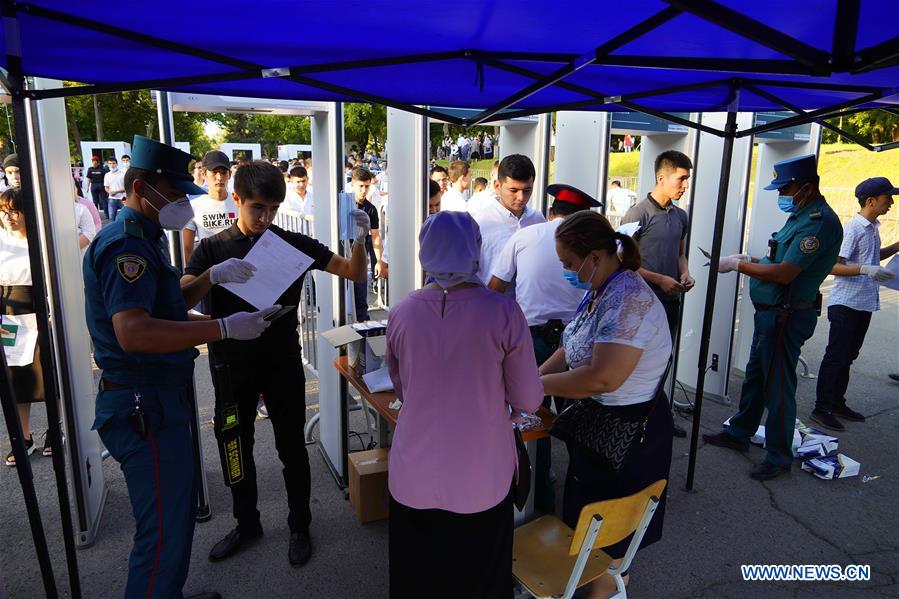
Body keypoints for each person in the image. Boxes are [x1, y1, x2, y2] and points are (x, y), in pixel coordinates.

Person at [84, 135, 275, 599]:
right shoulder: (125, 246)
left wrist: (211, 276)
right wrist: (223, 329)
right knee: (162, 530)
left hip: (159, 397)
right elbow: (135, 331)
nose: (180, 205)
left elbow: (167, 307)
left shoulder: (147, 238)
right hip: (140, 400)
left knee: (176, 510)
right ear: (142, 187)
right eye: (172, 194)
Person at [181, 160, 370, 567]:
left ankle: (300, 523)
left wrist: (359, 237)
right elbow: (181, 298)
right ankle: (245, 521)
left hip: (281, 363)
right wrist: (212, 275)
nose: (265, 218)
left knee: (291, 448)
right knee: (235, 445)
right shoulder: (213, 248)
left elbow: (353, 272)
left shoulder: (292, 244)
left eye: (272, 208)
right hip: (230, 366)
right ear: (237, 200)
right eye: (257, 208)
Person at [386, 211, 543, 598]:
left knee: (417, 576)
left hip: (413, 472)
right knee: (481, 577)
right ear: (475, 250)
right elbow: (528, 398)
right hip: (482, 475)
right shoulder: (502, 311)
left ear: (426, 254)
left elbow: (402, 387)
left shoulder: (402, 312)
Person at [540, 210, 673, 599]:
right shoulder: (602, 287)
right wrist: (533, 377)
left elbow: (602, 377)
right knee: (590, 529)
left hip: (629, 436)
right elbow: (572, 345)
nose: (566, 270)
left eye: (568, 263)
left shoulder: (629, 301)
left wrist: (534, 387)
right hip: (601, 426)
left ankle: (608, 589)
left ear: (594, 257)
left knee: (610, 546)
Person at [704, 154, 842, 481]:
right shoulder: (801, 215)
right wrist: (750, 259)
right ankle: (739, 432)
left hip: (787, 317)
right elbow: (776, 258)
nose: (782, 194)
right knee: (755, 377)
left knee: (778, 386)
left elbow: (784, 273)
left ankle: (779, 456)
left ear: (806, 188)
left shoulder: (819, 222)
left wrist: (738, 265)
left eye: (786, 188)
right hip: (772, 315)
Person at [488, 183, 600, 514]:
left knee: (529, 416)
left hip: (530, 340)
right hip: (578, 342)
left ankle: (539, 491)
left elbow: (494, 290)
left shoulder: (524, 237)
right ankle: (579, 499)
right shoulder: (591, 248)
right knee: (580, 418)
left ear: (551, 212)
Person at [811, 177, 898, 431]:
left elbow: (871, 258)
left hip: (863, 303)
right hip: (845, 304)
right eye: (887, 198)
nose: (891, 202)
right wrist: (865, 270)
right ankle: (821, 408)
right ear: (870, 201)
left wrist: (894, 247)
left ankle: (837, 402)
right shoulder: (854, 229)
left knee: (849, 356)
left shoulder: (872, 228)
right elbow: (832, 265)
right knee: (836, 356)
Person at [623, 151, 695, 437]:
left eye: (687, 179)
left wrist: (685, 273)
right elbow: (622, 263)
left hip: (670, 302)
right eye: (682, 179)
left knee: (663, 361)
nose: (685, 185)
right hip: (640, 304)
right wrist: (659, 279)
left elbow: (680, 254)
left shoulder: (680, 216)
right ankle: (633, 419)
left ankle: (656, 419)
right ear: (661, 177)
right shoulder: (637, 214)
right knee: (636, 362)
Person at [1, 189, 51, 465]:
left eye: (14, 211)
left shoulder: (42, 239)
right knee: (16, 376)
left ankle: (56, 430)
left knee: (47, 372)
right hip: (8, 313)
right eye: (3, 211)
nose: (8, 217)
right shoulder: (0, 239)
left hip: (40, 309)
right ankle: (23, 436)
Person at [470, 154, 546, 287]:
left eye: (527, 190)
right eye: (513, 190)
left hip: (530, 305)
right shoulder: (480, 222)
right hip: (490, 303)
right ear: (497, 185)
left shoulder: (538, 220)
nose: (521, 197)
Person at [182, 151, 238, 264]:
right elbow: (187, 249)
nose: (219, 177)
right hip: (208, 274)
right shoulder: (193, 206)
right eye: (214, 172)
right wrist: (194, 277)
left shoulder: (239, 202)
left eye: (223, 172)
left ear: (230, 175)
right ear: (203, 173)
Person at [348, 167, 383, 322]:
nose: (363, 190)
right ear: (353, 185)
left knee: (360, 293)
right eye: (360, 186)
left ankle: (362, 323)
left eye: (366, 186)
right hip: (341, 254)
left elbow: (375, 236)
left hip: (361, 257)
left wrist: (379, 261)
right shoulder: (343, 205)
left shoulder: (371, 209)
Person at [283, 166, 315, 236]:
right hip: (293, 236)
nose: (301, 184)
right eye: (298, 182)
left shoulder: (314, 196)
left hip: (312, 234)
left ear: (308, 179)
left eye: (304, 181)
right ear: (291, 181)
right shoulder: (286, 198)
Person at [103, 157, 126, 222]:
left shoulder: (123, 174)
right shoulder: (107, 175)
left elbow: (127, 187)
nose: (112, 165)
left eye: (113, 163)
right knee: (111, 218)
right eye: (110, 163)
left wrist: (116, 192)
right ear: (108, 165)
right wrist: (109, 192)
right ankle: (112, 232)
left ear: (117, 164)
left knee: (125, 217)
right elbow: (106, 187)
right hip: (112, 200)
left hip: (123, 199)